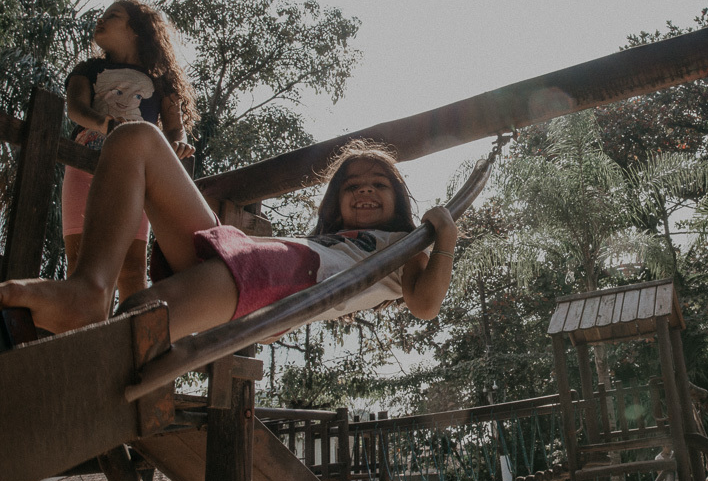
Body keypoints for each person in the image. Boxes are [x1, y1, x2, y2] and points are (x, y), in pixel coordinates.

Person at [0, 129, 456, 343]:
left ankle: (78, 352)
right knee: (135, 139)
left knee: (140, 318)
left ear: (398, 199)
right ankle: (89, 287)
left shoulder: (402, 247)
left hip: (281, 284)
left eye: (379, 184)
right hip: (252, 257)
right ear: (335, 206)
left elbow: (425, 305)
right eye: (352, 185)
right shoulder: (331, 241)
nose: (365, 190)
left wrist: (444, 239)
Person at [62, 0, 198, 303]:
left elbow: (175, 127)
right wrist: (106, 124)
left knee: (132, 268)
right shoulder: (88, 69)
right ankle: (81, 331)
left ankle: (128, 331)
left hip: (134, 176)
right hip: (84, 162)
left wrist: (178, 142)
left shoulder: (162, 80)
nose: (101, 19)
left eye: (112, 15)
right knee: (78, 263)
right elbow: (76, 108)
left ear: (136, 30)